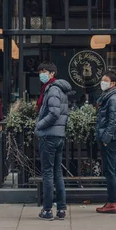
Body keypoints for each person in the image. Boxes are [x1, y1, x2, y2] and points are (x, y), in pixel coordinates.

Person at [35, 61, 72, 221]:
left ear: (52, 74)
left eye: (44, 71)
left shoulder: (53, 90)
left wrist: (39, 126)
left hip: (49, 135)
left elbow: (54, 113)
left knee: (48, 173)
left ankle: (48, 209)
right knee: (57, 173)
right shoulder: (58, 89)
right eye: (40, 72)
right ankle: (61, 209)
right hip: (58, 135)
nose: (41, 74)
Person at [95, 70, 116, 214]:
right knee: (115, 170)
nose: (102, 82)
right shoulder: (109, 97)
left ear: (112, 83)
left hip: (111, 140)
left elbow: (113, 122)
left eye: (105, 80)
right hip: (113, 139)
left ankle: (112, 203)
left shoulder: (113, 99)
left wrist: (106, 139)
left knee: (110, 171)